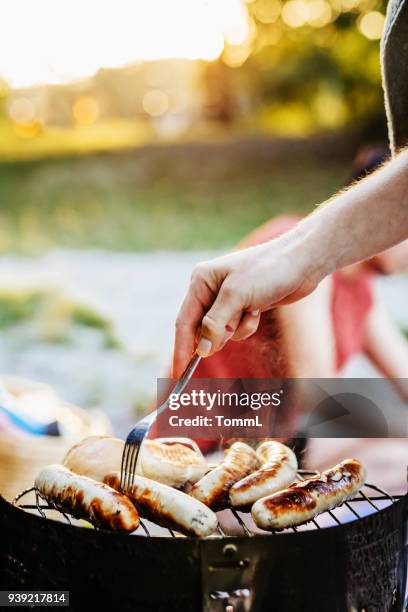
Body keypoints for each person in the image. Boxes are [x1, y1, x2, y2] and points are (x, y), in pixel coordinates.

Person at [172, 0, 408, 379]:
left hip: (282, 437)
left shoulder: (358, 288)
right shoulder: (293, 250)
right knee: (391, 437)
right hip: (210, 438)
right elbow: (322, 405)